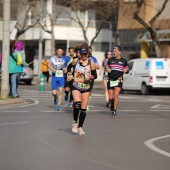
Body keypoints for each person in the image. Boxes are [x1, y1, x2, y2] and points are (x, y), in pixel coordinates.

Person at [67, 44, 97, 135]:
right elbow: (69, 68)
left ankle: (80, 127)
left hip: (86, 87)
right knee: (77, 104)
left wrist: (91, 77)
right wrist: (69, 74)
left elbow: (95, 75)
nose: (84, 56)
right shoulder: (75, 61)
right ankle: (75, 122)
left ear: (88, 53)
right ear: (79, 53)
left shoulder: (91, 62)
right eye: (82, 54)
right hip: (76, 85)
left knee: (83, 109)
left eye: (85, 54)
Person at [106, 45, 129, 117]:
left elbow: (127, 70)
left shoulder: (124, 61)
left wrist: (126, 71)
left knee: (116, 95)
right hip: (111, 79)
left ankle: (114, 111)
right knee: (110, 97)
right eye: (113, 51)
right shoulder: (110, 60)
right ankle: (112, 104)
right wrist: (108, 70)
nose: (114, 52)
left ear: (120, 52)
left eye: (115, 51)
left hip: (119, 80)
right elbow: (107, 68)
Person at [86, 46, 100, 110]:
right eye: (88, 50)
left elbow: (98, 67)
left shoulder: (93, 59)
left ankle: (86, 104)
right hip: (83, 76)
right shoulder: (82, 58)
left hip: (91, 76)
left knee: (89, 91)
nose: (89, 52)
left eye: (90, 50)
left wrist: (92, 65)